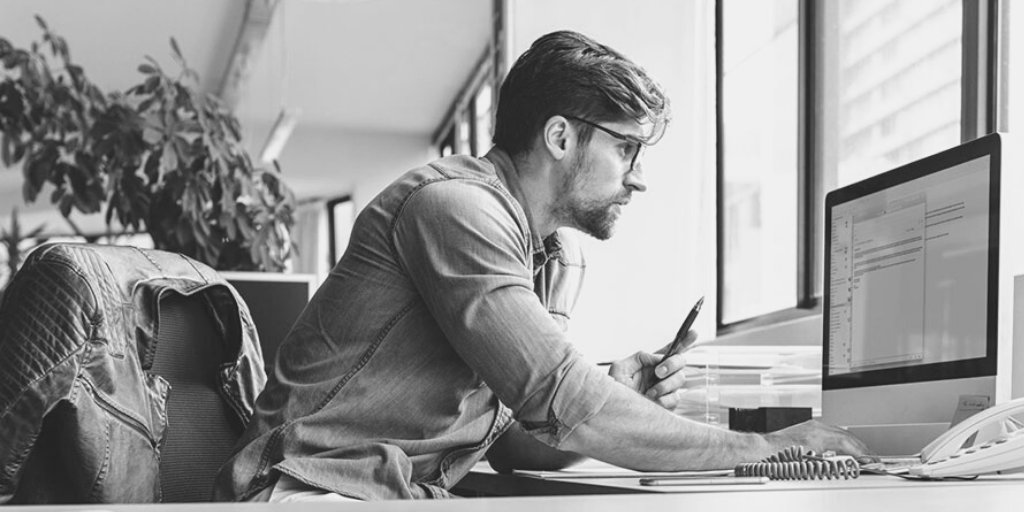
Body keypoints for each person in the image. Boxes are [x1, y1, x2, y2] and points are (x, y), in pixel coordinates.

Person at [214, 30, 869, 502]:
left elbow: (517, 440)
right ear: (560, 137)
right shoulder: (454, 211)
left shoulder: (548, 254)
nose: (638, 179)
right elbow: (565, 402)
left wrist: (618, 386)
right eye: (627, 150)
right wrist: (766, 450)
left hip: (390, 492)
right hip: (309, 490)